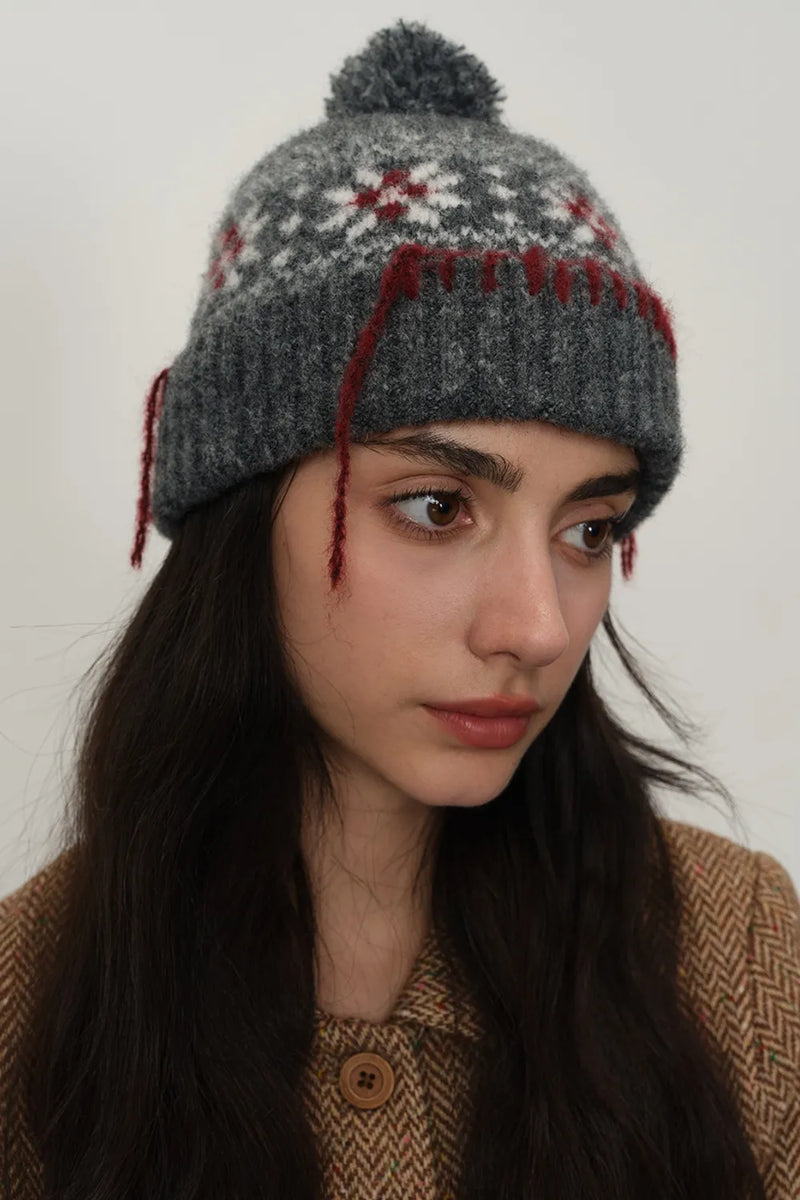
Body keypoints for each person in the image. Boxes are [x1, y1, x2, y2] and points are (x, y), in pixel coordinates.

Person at [1, 19, 797, 1200]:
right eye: (435, 507)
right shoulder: (30, 1011)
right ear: (241, 509)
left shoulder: (735, 954)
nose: (535, 626)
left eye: (589, 529)